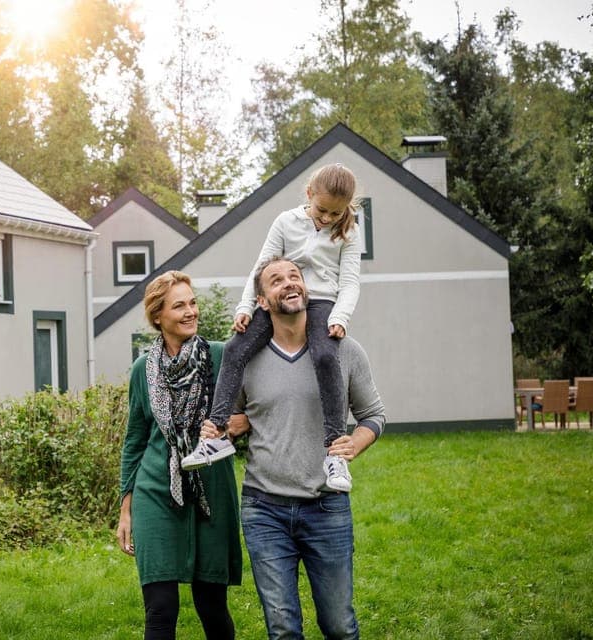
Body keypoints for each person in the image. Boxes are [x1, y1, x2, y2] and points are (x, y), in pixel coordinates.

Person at [202, 256, 384, 640]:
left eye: (294, 276)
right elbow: (232, 419)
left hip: (326, 506)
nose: (288, 283)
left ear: (306, 288)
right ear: (263, 301)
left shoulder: (344, 350)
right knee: (283, 629)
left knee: (339, 625)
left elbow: (373, 415)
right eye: (275, 280)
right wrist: (224, 429)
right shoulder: (245, 361)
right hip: (263, 509)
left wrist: (355, 443)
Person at [182, 164, 363, 493]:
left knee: (325, 357)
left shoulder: (349, 231)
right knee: (237, 347)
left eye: (335, 213)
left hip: (321, 302)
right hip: (278, 299)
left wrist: (340, 317)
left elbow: (350, 283)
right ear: (309, 194)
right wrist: (245, 307)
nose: (326, 219)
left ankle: (335, 454)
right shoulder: (286, 222)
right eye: (322, 210)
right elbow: (261, 268)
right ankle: (217, 434)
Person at [116, 270, 243, 640]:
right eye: (179, 306)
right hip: (156, 490)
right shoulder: (143, 370)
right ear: (158, 316)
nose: (191, 312)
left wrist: (233, 425)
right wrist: (126, 509)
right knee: (160, 609)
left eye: (192, 302)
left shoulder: (220, 357)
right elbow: (135, 441)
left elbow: (259, 409)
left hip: (211, 488)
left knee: (211, 605)